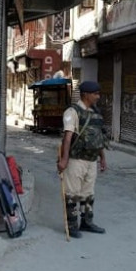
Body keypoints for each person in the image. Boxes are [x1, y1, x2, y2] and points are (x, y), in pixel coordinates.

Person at [57, 81, 108, 238]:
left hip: (91, 160)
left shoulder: (96, 113)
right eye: (95, 93)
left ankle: (86, 222)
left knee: (88, 193)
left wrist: (102, 158)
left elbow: (99, 139)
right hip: (76, 159)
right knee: (72, 193)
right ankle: (72, 225)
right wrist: (64, 160)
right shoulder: (72, 112)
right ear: (85, 94)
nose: (98, 97)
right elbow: (68, 137)